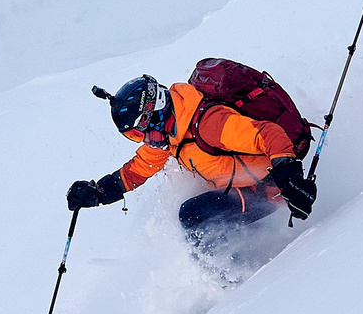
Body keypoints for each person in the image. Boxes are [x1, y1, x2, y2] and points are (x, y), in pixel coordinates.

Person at [66, 70, 319, 249]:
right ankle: (255, 249)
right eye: (134, 137)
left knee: (193, 215)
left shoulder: (209, 124)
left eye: (138, 133)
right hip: (240, 188)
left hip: (268, 189)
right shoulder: (170, 133)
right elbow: (138, 169)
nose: (143, 140)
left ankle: (234, 282)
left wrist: (289, 177)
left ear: (154, 114)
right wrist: (99, 192)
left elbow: (268, 133)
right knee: (199, 212)